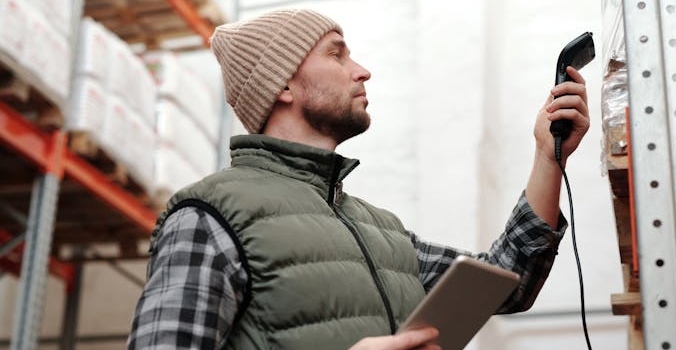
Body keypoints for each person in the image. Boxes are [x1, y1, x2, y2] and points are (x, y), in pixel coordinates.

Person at [127, 8, 590, 350]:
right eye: (337, 55)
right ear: (282, 86)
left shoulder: (381, 231)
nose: (361, 70)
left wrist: (548, 157)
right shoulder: (208, 217)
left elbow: (509, 282)